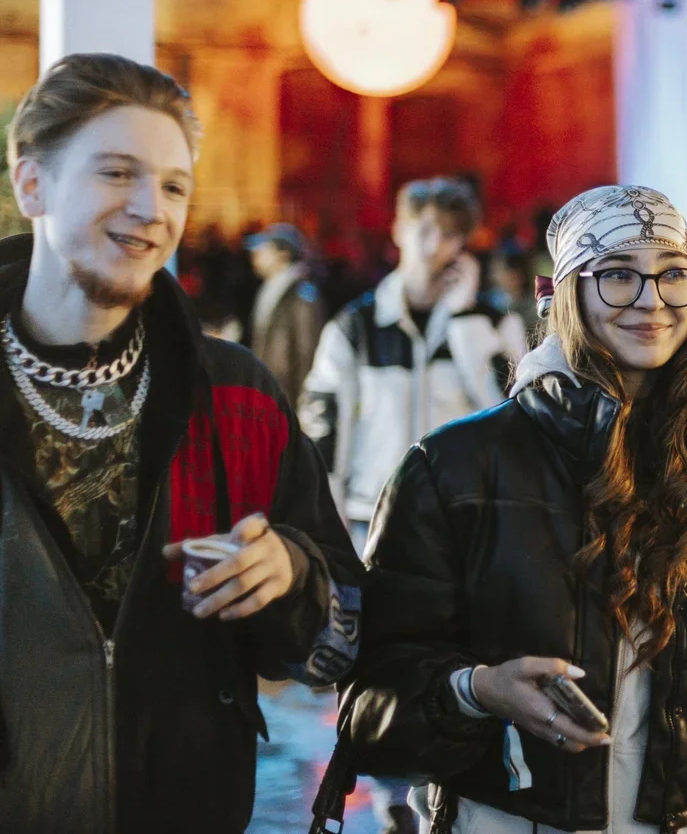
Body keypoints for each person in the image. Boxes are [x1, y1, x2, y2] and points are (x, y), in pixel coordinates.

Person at [342, 185, 687, 834]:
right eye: (617, 275)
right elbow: (369, 709)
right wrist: (476, 691)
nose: (650, 300)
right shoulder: (453, 469)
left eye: (673, 276)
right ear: (564, 296)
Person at [0, 53, 361, 831]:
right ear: (32, 185)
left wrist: (292, 570)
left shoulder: (236, 395)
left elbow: (347, 629)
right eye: (116, 173)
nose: (149, 208)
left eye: (172, 185)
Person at [299, 177, 528, 549]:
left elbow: (511, 414)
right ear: (398, 231)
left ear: (463, 246)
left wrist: (464, 318)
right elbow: (322, 423)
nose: (433, 245)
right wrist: (326, 513)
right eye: (423, 230)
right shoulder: (356, 326)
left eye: (449, 235)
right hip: (370, 518)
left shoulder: (494, 323)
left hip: (463, 520)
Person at [245, 221, 324, 400]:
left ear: (283, 253)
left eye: (264, 248)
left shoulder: (302, 296)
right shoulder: (269, 289)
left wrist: (303, 407)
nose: (255, 254)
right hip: (267, 397)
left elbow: (307, 354)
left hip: (285, 399)